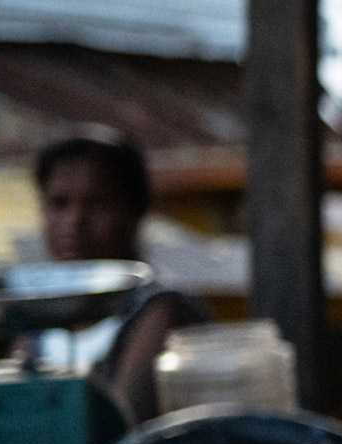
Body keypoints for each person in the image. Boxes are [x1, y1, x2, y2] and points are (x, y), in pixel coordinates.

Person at [31, 127, 210, 423]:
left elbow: (121, 430)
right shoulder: (36, 322)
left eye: (97, 204)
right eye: (58, 204)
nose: (74, 223)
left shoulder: (161, 311)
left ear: (135, 212)